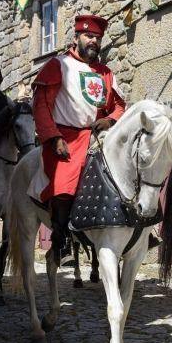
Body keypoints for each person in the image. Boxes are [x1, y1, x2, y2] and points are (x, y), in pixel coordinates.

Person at [31, 15, 126, 266]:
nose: (93, 41)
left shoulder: (105, 73)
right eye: (89, 36)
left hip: (97, 134)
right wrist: (53, 137)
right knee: (64, 181)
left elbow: (118, 106)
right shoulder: (57, 65)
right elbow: (41, 105)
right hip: (65, 136)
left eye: (97, 38)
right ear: (76, 38)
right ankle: (60, 238)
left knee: (125, 169)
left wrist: (110, 121)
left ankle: (134, 229)